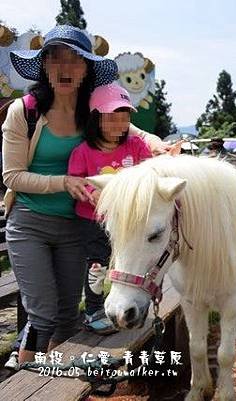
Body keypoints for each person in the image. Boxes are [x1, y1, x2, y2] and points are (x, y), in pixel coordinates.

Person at [1, 25, 167, 364]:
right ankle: (22, 373)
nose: (65, 68)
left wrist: (157, 144)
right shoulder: (25, 112)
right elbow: (11, 176)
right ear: (43, 65)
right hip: (29, 223)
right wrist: (64, 182)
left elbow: (131, 129)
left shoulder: (93, 109)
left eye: (75, 61)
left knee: (65, 315)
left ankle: (50, 379)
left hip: (77, 226)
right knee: (43, 313)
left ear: (87, 69)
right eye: (56, 59)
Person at [67, 83, 152, 334]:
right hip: (93, 221)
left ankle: (132, 303)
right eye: (112, 118)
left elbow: (149, 171)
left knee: (127, 262)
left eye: (125, 118)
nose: (120, 124)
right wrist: (94, 194)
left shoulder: (136, 146)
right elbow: (77, 181)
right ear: (96, 120)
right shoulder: (83, 151)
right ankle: (93, 311)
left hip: (128, 223)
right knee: (97, 265)